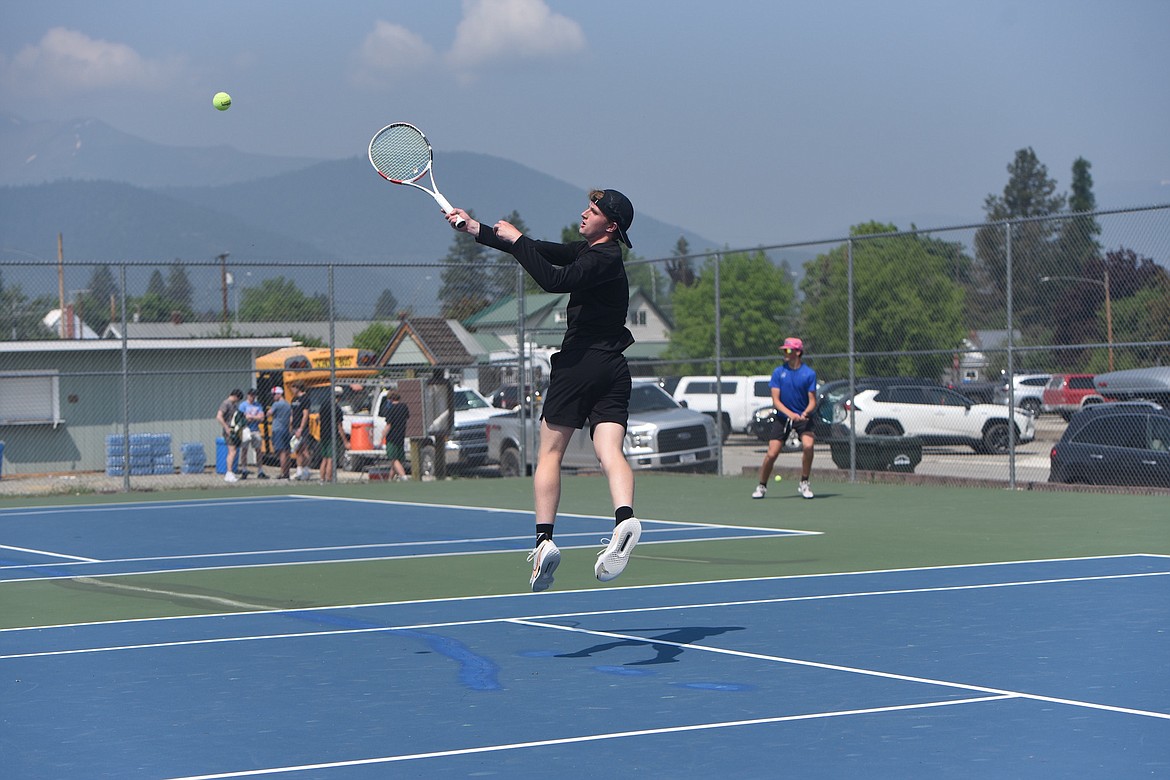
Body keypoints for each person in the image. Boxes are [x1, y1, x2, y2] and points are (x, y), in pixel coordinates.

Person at [446, 189, 641, 592]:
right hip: (614, 368)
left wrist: (517, 241)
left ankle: (544, 541)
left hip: (579, 364)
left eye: (594, 210)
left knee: (549, 452)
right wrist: (478, 229)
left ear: (612, 225)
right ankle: (625, 519)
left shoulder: (601, 259)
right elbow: (540, 250)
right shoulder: (594, 254)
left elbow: (553, 279)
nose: (584, 213)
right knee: (610, 451)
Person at [752, 337, 818, 500]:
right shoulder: (778, 372)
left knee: (808, 446)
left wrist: (805, 413)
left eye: (788, 350)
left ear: (798, 352)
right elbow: (776, 401)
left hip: (802, 418)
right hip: (782, 418)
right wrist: (790, 414)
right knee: (772, 453)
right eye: (784, 350)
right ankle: (762, 486)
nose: (785, 353)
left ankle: (804, 482)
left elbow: (812, 401)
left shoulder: (809, 374)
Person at [237, 388, 269, 479]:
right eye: (251, 395)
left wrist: (252, 417)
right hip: (245, 429)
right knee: (244, 450)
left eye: (254, 396)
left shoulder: (258, 405)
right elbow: (242, 417)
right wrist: (253, 417)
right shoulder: (243, 405)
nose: (253, 397)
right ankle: (244, 470)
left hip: (255, 429)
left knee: (258, 450)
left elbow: (261, 417)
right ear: (248, 395)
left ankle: (260, 471)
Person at [379, 391, 410, 482]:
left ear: (390, 399)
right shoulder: (404, 407)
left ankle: (403, 477)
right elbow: (407, 417)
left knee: (394, 459)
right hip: (401, 435)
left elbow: (388, 425)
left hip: (392, 437)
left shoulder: (390, 409)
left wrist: (382, 436)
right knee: (398, 459)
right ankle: (390, 479)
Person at [317, 386, 345, 483]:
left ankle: (322, 478)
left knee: (324, 458)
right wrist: (345, 441)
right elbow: (339, 426)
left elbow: (319, 418)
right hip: (331, 435)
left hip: (323, 433)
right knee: (331, 458)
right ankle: (329, 479)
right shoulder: (337, 409)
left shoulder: (323, 405)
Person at [216, 388, 244, 483]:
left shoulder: (234, 405)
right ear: (235, 396)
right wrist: (226, 427)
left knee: (234, 451)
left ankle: (231, 472)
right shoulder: (226, 403)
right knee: (232, 451)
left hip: (234, 431)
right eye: (238, 399)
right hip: (229, 431)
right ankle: (229, 472)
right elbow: (219, 416)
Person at [289, 382, 312, 481]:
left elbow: (305, 414)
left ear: (298, 387)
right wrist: (290, 426)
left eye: (293, 387)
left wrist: (301, 428)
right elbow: (292, 414)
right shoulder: (294, 399)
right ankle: (299, 471)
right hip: (294, 427)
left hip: (302, 428)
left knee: (304, 449)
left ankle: (306, 470)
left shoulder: (305, 398)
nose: (292, 390)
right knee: (297, 450)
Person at [269, 386, 293, 479]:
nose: (273, 396)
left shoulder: (276, 404)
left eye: (274, 394)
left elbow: (269, 413)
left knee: (281, 452)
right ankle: (287, 472)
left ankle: (283, 473)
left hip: (278, 429)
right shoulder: (287, 404)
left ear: (279, 394)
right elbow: (291, 418)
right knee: (287, 452)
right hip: (286, 429)